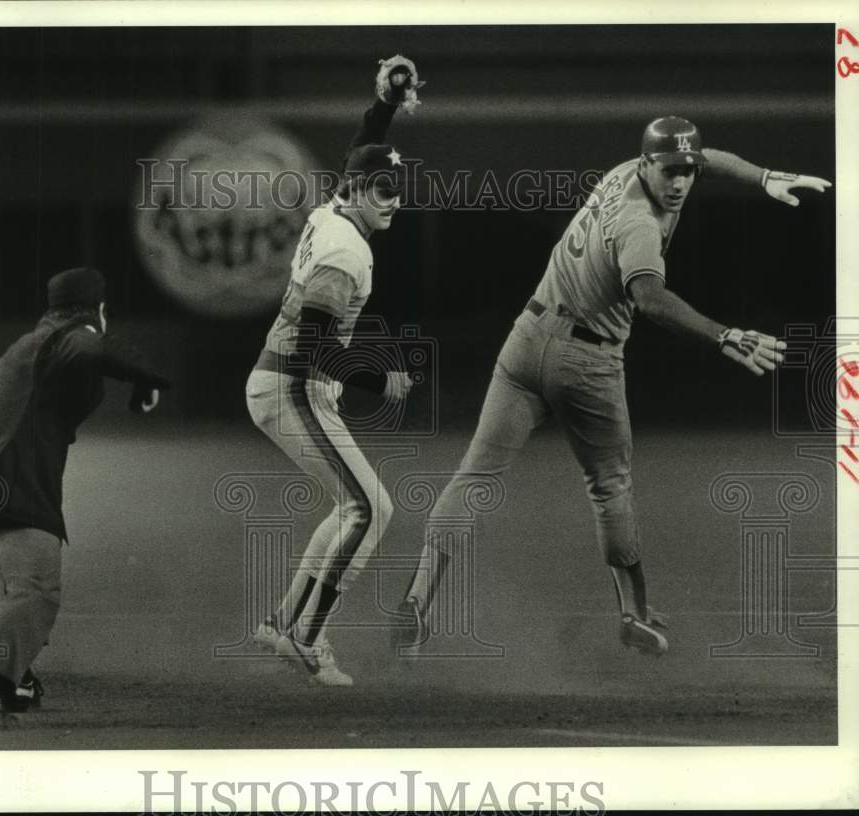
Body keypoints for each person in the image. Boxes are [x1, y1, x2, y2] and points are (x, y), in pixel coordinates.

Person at [394, 117, 831, 657]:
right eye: (670, 170)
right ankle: (634, 614)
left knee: (474, 475)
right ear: (648, 165)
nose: (681, 182)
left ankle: (417, 600)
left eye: (686, 172)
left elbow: (707, 156)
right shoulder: (639, 223)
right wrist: (724, 336)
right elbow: (649, 299)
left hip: (525, 340)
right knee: (610, 485)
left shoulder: (628, 170)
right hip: (586, 362)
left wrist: (762, 177)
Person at [0, 267, 171, 722]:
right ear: (98, 310)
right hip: (22, 481)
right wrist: (144, 376)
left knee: (24, 584)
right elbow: (88, 347)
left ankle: (16, 678)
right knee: (37, 591)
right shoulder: (73, 336)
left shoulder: (32, 346)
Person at [246, 56, 425, 685]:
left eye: (397, 188)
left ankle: (285, 624)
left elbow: (363, 152)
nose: (392, 199)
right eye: (382, 189)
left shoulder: (334, 213)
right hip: (292, 384)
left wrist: (385, 103)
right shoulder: (346, 251)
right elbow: (313, 348)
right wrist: (383, 379)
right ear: (354, 191)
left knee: (354, 506)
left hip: (290, 385)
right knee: (372, 511)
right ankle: (308, 637)